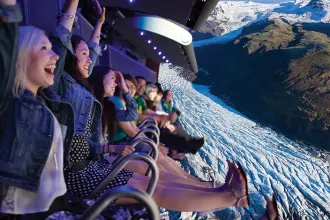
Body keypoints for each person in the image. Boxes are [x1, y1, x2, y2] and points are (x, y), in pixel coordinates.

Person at [49, 0, 251, 211]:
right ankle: (230, 197)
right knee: (154, 187)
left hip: (93, 164)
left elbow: (93, 51)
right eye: (83, 55)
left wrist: (99, 24)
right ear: (69, 58)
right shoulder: (60, 85)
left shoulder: (83, 87)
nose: (90, 59)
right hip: (77, 175)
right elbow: (61, 40)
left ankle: (218, 190)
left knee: (157, 180)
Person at [0, 7, 68, 215]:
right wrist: (8, 8)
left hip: (52, 209)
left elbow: (62, 46)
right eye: (43, 48)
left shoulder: (48, 101)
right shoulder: (9, 102)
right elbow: (5, 45)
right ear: (19, 57)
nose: (54, 55)